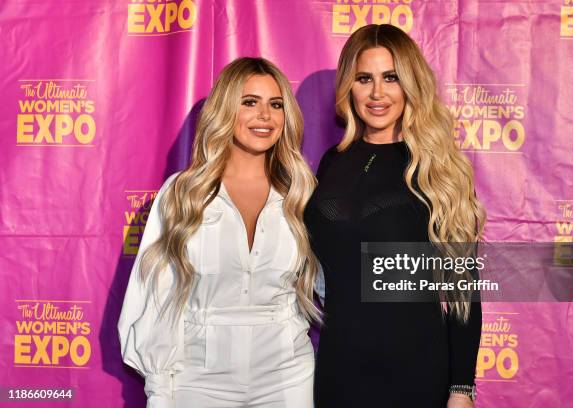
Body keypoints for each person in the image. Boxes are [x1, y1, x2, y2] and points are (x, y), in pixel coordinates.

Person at [118, 57, 320, 408]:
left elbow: (335, 282)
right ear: (226, 110)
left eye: (275, 104)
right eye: (249, 102)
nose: (265, 116)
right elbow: (155, 297)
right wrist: (160, 389)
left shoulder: (301, 194)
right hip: (197, 379)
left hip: (288, 376)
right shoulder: (183, 193)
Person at [304, 24, 486, 408]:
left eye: (391, 78)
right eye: (363, 78)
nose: (376, 93)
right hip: (339, 368)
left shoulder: (438, 170)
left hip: (415, 370)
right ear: (348, 87)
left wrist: (461, 388)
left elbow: (463, 291)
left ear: (410, 84)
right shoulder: (331, 163)